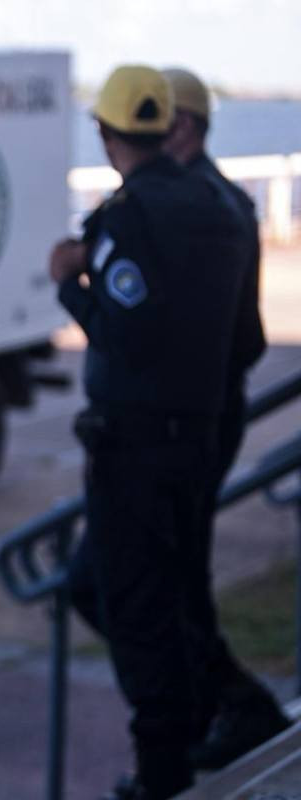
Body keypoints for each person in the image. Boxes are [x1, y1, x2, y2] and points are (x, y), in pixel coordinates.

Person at [51, 66, 248, 799]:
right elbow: (245, 336)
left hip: (134, 449)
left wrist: (68, 281)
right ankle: (206, 711)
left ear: (106, 135)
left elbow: (120, 330)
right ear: (165, 128)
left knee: (134, 604)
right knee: (165, 592)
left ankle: (166, 766)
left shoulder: (127, 217)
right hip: (199, 437)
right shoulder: (224, 207)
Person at [160, 66, 289, 769]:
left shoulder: (203, 207)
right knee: (172, 578)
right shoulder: (221, 203)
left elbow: (240, 339)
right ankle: (219, 709)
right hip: (204, 418)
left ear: (178, 126)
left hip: (192, 424)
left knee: (169, 580)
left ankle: (230, 707)